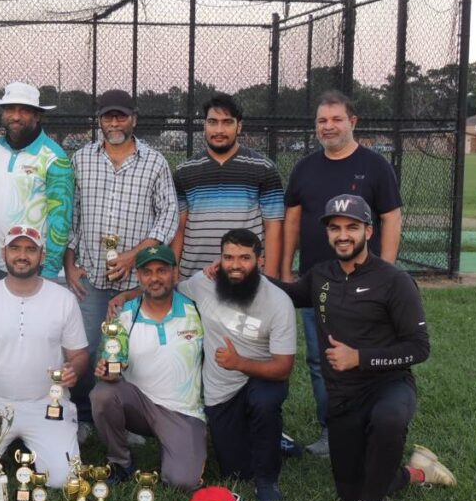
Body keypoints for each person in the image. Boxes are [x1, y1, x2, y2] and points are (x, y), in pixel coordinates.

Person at [276, 194, 455, 501]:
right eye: (335, 228)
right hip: (343, 395)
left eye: (352, 227)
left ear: (368, 231)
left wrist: (360, 357)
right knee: (349, 489)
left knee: (388, 423)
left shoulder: (394, 280)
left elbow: (419, 347)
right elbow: (288, 293)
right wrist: (240, 274)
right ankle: (419, 471)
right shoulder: (321, 275)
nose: (343, 235)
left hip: (388, 384)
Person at [282, 90, 404, 456]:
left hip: (366, 282)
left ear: (353, 122)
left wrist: (386, 271)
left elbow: (391, 217)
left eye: (336, 119)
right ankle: (331, 431)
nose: (328, 126)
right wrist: (287, 269)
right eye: (322, 120)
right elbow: (291, 220)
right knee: (322, 359)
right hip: (316, 282)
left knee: (366, 354)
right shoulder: (304, 167)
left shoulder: (376, 165)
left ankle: (373, 423)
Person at [64, 89, 178, 437]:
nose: (114, 123)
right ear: (99, 120)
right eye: (108, 116)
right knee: (84, 347)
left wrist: (135, 257)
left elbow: (168, 216)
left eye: (121, 116)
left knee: (134, 349)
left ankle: (130, 418)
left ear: (134, 119)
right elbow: (72, 216)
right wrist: (70, 263)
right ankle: (84, 416)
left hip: (136, 281)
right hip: (92, 277)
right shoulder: (81, 159)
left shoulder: (154, 162)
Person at [0, 224, 88, 487]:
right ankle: (12, 449)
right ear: (4, 253)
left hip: (46, 404)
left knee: (63, 480)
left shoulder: (63, 299)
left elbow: (79, 354)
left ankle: (31, 449)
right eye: (15, 248)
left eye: (30, 249)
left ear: (42, 256)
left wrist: (75, 369)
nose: (22, 255)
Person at [178, 229, 296, 501]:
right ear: (219, 259)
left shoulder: (278, 302)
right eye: (229, 257)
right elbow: (168, 292)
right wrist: (126, 298)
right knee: (236, 471)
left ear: (261, 261)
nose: (235, 265)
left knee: (264, 404)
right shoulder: (203, 283)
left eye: (245, 258)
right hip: (222, 392)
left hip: (261, 378)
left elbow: (283, 368)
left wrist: (239, 363)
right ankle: (277, 441)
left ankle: (267, 482)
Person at [90, 245, 206, 490]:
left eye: (162, 270)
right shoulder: (123, 316)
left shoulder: (195, 311)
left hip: (183, 411)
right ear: (139, 277)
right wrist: (108, 372)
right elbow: (111, 359)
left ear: (175, 273)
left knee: (182, 482)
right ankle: (120, 461)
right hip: (139, 405)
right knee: (102, 394)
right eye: (147, 272)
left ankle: (180, 448)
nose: (155, 278)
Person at [170, 92, 285, 281]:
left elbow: (273, 227)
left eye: (227, 122)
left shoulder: (263, 168)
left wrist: (270, 279)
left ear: (239, 126)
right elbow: (179, 229)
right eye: (213, 122)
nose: (219, 130)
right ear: (204, 126)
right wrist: (174, 270)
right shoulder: (184, 171)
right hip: (195, 278)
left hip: (246, 278)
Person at [0, 82, 74, 280]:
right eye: (9, 109)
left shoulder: (54, 157)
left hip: (36, 267)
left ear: (38, 115)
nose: (15, 116)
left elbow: (61, 219)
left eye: (24, 111)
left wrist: (50, 269)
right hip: (1, 262)